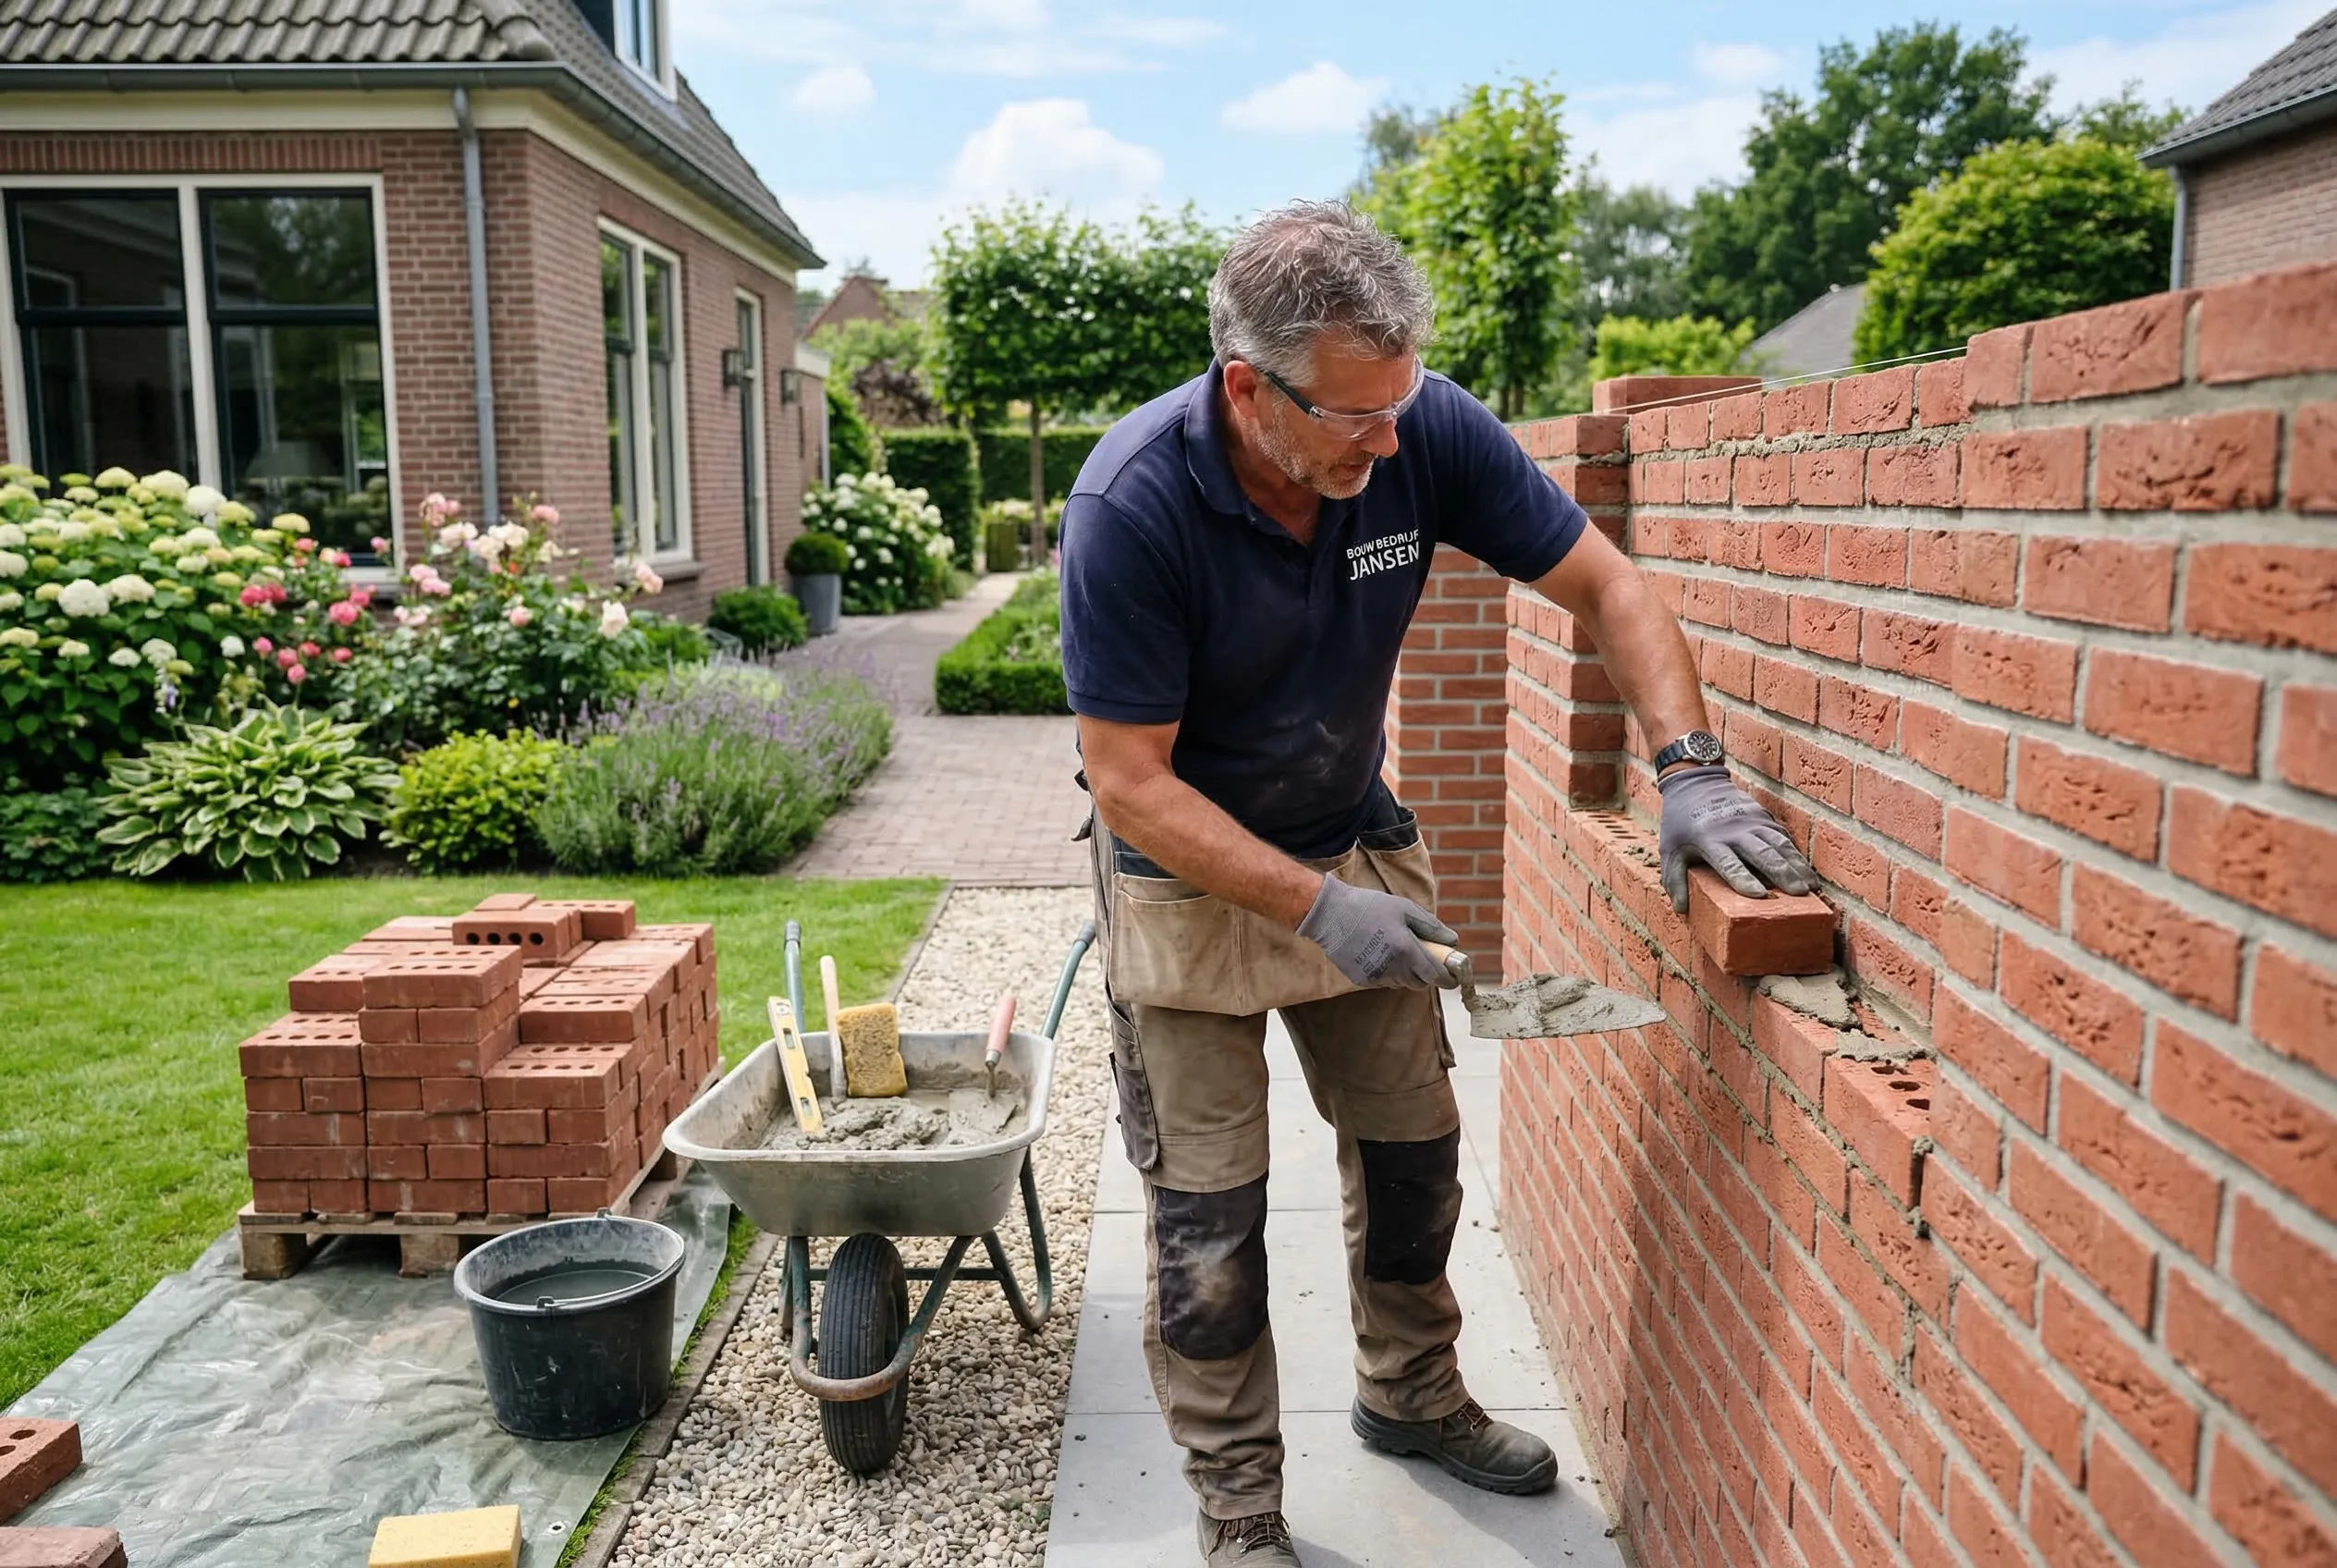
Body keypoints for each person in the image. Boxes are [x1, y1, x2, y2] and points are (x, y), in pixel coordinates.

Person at [1058, 201, 1816, 1568]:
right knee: (1209, 1227)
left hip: (1352, 837)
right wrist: (1307, 905)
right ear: (1249, 388)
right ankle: (1238, 1504)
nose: (1393, 440)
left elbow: (1615, 590)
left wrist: (1691, 770)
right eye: (1356, 415)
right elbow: (1130, 783)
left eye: (1402, 400)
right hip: (1184, 881)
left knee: (1415, 1161)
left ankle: (1410, 1393)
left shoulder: (1421, 428)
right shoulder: (1133, 503)